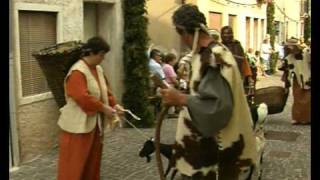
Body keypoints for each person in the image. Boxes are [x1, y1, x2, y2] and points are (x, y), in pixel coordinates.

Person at [160, 4, 257, 179]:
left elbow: (218, 108)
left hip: (213, 158)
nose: (182, 41)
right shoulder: (206, 54)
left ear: (184, 31)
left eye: (180, 35)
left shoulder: (213, 58)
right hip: (202, 154)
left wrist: (181, 99)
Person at [57, 36, 124, 180]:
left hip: (94, 125)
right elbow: (82, 97)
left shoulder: (98, 69)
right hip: (77, 126)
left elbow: (105, 90)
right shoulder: (77, 71)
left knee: (92, 162)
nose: (103, 58)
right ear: (92, 53)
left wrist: (114, 105)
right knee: (74, 163)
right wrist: (104, 108)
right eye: (101, 55)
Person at [283, 38, 311, 125]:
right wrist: (286, 84)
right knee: (297, 98)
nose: (290, 49)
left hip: (308, 78)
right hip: (297, 80)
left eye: (292, 47)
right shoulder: (289, 57)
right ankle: (297, 118)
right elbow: (286, 70)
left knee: (307, 99)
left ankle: (306, 119)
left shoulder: (307, 52)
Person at [220, 26, 254, 95]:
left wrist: (249, 76)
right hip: (224, 78)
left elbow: (244, 61)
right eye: (224, 34)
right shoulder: (219, 47)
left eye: (228, 33)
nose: (226, 35)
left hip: (238, 76)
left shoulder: (237, 45)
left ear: (232, 34)